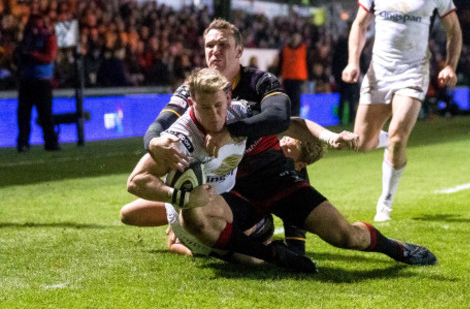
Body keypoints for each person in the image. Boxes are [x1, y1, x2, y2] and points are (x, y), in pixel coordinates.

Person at [146, 18, 437, 267]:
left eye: (223, 45)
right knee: (194, 220)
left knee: (344, 235)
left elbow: (281, 117)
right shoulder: (193, 89)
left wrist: (231, 131)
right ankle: (272, 252)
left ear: (239, 51)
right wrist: (153, 143)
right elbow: (160, 125)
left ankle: (396, 248)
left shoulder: (259, 82)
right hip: (230, 188)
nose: (215, 51)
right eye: (210, 45)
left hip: (273, 176)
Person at [126, 67, 316, 272]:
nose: (215, 115)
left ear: (228, 97)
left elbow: (288, 123)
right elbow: (135, 181)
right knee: (249, 261)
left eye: (219, 105)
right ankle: (266, 251)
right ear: (191, 104)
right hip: (192, 214)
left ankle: (254, 231)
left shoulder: (239, 113)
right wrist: (182, 198)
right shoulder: (180, 139)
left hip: (228, 201)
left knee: (129, 214)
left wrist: (331, 137)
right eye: (205, 108)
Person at [342, 0, 463, 221]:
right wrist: (353, 62)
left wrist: (450, 66)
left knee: (398, 137)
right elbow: (359, 25)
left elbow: (454, 30)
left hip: (413, 72)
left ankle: (385, 203)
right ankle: (388, 139)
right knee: (362, 143)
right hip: (378, 73)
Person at [15, 13, 60, 152]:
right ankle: (23, 142)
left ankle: (51, 142)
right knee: (23, 114)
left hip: (42, 81)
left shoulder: (49, 37)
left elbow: (50, 57)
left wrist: (33, 55)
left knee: (45, 114)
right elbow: (19, 56)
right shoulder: (26, 39)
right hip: (27, 80)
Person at [279, 32, 308, 116]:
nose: (295, 39)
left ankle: (295, 117)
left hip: (298, 78)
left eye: (297, 37)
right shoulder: (284, 49)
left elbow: (308, 62)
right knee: (287, 99)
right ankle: (288, 117)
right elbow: (281, 63)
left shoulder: (304, 49)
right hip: (287, 78)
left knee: (296, 99)